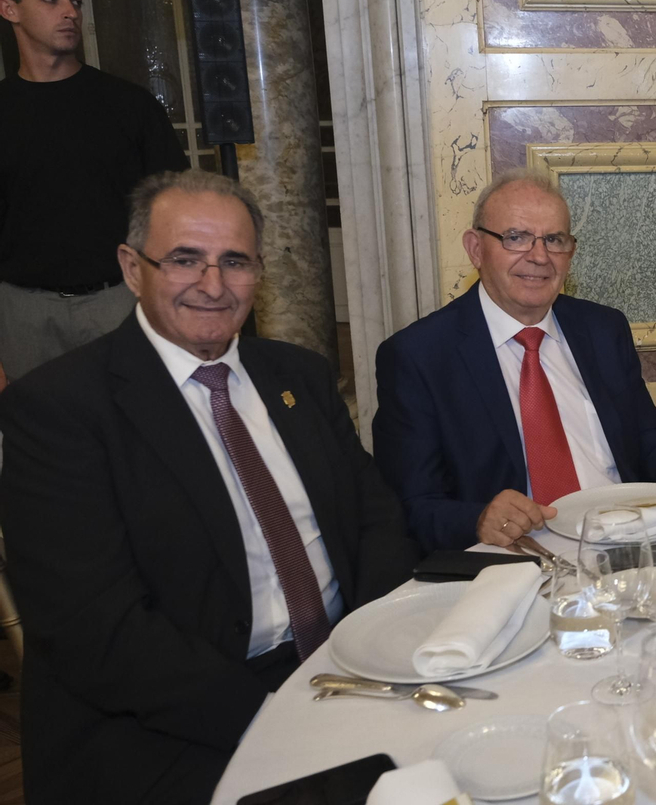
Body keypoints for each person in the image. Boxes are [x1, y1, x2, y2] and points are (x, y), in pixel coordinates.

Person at [0, 170, 418, 804]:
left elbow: (376, 519)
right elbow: (100, 633)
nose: (214, 285)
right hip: (170, 722)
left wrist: (366, 655)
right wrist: (283, 716)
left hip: (342, 671)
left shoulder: (297, 376)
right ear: (132, 267)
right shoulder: (60, 410)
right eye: (185, 260)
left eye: (235, 262)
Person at [373, 169, 656, 552]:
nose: (539, 257)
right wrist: (477, 519)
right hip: (519, 557)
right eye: (516, 237)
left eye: (554, 240)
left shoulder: (602, 329)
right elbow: (411, 506)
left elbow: (645, 438)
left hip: (630, 541)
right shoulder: (419, 356)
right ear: (475, 249)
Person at [0, 0, 189, 390]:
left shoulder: (128, 104)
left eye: (76, 0)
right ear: (10, 8)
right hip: (22, 312)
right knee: (45, 441)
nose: (70, 12)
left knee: (141, 428)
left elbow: (174, 209)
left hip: (119, 299)